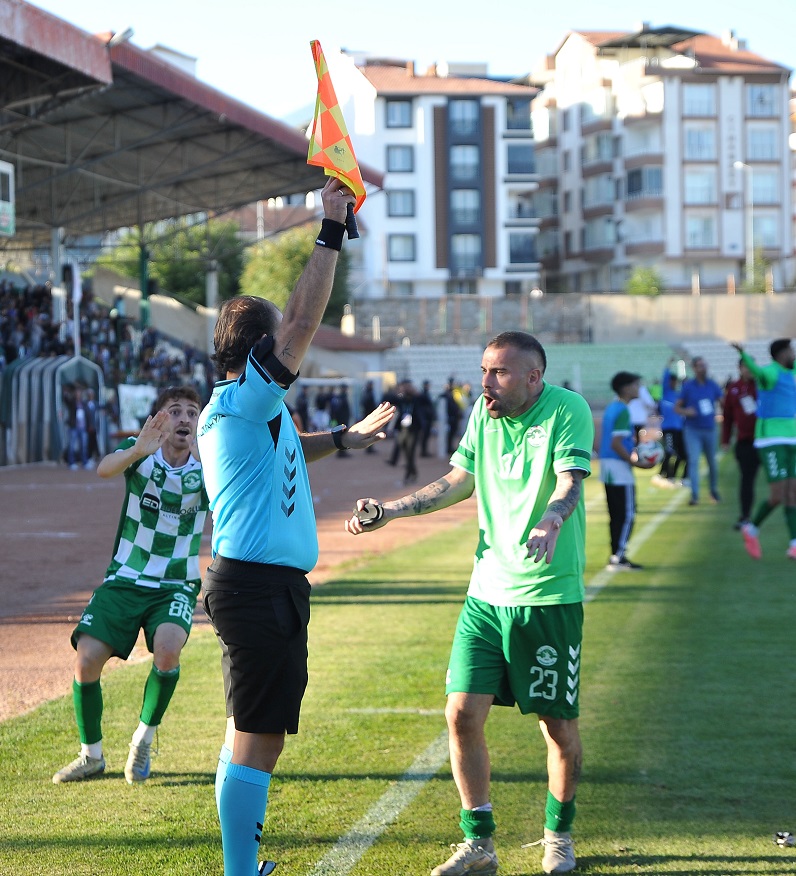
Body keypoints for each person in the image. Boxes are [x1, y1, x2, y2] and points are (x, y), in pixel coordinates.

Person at [197, 178, 396, 876]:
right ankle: (238, 872)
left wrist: (343, 439)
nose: (291, 341)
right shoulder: (239, 401)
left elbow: (291, 441)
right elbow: (304, 326)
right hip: (253, 588)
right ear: (256, 350)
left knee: (261, 734)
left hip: (270, 587)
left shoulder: (255, 413)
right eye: (276, 334)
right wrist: (330, 229)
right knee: (255, 734)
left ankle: (242, 866)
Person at [345, 330, 593, 876]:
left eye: (499, 373)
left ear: (533, 377)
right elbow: (459, 481)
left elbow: (569, 479)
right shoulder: (484, 414)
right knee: (460, 714)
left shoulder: (567, 409)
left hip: (546, 597)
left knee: (557, 728)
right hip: (485, 594)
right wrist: (391, 511)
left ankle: (558, 835)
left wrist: (552, 520)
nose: (485, 382)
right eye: (483, 370)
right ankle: (479, 842)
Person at [52, 386, 209, 785]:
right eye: (175, 411)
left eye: (192, 412)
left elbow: (234, 498)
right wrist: (138, 449)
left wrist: (210, 460)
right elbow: (105, 468)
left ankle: (143, 740)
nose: (185, 419)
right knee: (86, 658)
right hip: (126, 576)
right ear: (157, 420)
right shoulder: (141, 453)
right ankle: (91, 755)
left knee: (169, 649)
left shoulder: (209, 467)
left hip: (175, 582)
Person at [731, 339, 796, 560]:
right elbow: (758, 372)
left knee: (793, 494)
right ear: (781, 354)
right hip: (771, 441)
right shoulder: (771, 373)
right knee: (778, 495)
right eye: (790, 350)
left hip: (792, 439)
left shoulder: (791, 372)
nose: (794, 353)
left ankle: (794, 544)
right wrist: (744, 353)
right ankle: (752, 528)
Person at [599, 372, 655, 570]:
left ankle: (616, 554)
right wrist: (638, 464)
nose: (639, 388)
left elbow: (603, 439)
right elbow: (616, 443)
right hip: (618, 467)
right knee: (626, 513)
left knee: (616, 513)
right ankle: (618, 557)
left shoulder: (613, 407)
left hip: (607, 465)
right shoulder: (622, 410)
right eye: (635, 384)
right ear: (625, 388)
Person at [674, 356, 723, 506]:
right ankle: (694, 494)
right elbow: (677, 407)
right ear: (694, 368)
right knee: (694, 461)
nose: (703, 368)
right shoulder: (688, 387)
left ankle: (713, 490)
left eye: (704, 365)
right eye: (699, 366)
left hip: (709, 428)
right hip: (692, 430)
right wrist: (686, 411)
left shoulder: (712, 385)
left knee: (712, 463)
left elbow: (723, 401)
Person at [721, 358, 759, 530]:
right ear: (740, 368)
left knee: (783, 481)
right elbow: (727, 417)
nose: (749, 370)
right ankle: (745, 516)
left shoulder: (762, 385)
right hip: (745, 441)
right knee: (747, 480)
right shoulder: (734, 389)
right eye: (746, 367)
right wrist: (726, 439)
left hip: (766, 439)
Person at [652, 363, 686, 488]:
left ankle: (674, 476)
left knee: (682, 454)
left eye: (674, 381)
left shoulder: (678, 395)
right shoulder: (666, 393)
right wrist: (669, 364)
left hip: (679, 428)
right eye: (671, 381)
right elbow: (665, 377)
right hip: (669, 428)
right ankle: (664, 475)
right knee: (670, 451)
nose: (673, 383)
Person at [416, 379, 437, 457]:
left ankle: (424, 451)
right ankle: (423, 451)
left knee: (426, 436)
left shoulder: (425, 394)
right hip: (425, 418)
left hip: (427, 418)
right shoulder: (423, 395)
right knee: (424, 436)